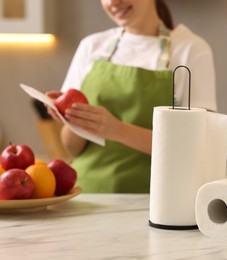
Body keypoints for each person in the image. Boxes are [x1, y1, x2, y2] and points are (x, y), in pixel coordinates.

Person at [46, 0, 217, 193]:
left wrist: (117, 130)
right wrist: (71, 118)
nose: (113, 2)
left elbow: (196, 146)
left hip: (155, 201)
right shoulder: (91, 46)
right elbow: (72, 149)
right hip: (86, 195)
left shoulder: (190, 50)